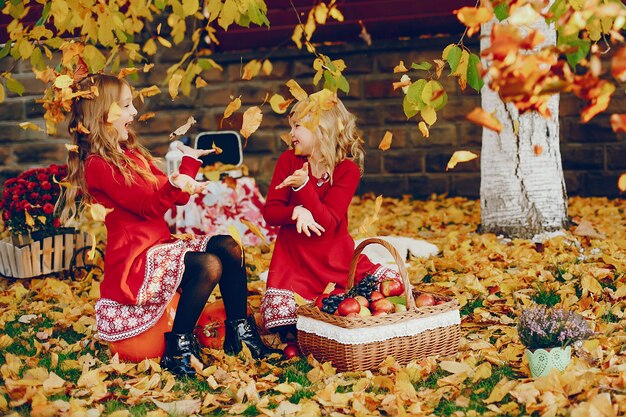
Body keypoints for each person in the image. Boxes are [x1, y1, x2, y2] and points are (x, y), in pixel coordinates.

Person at [58, 74, 281, 377]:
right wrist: (179, 180)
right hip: (135, 260)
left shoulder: (132, 154)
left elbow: (171, 196)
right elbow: (147, 204)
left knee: (229, 247)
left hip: (159, 247)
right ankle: (178, 351)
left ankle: (240, 337)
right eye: (126, 105)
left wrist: (186, 169)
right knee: (208, 265)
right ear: (103, 114)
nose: (134, 112)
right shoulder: (98, 165)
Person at [260, 94, 401, 341]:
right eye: (290, 126)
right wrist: (295, 211)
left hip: (336, 257)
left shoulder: (347, 170)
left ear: (321, 128)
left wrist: (303, 187)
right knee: (289, 327)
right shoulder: (288, 161)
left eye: (297, 126)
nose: (290, 133)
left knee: (386, 290)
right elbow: (271, 212)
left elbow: (328, 222)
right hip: (295, 260)